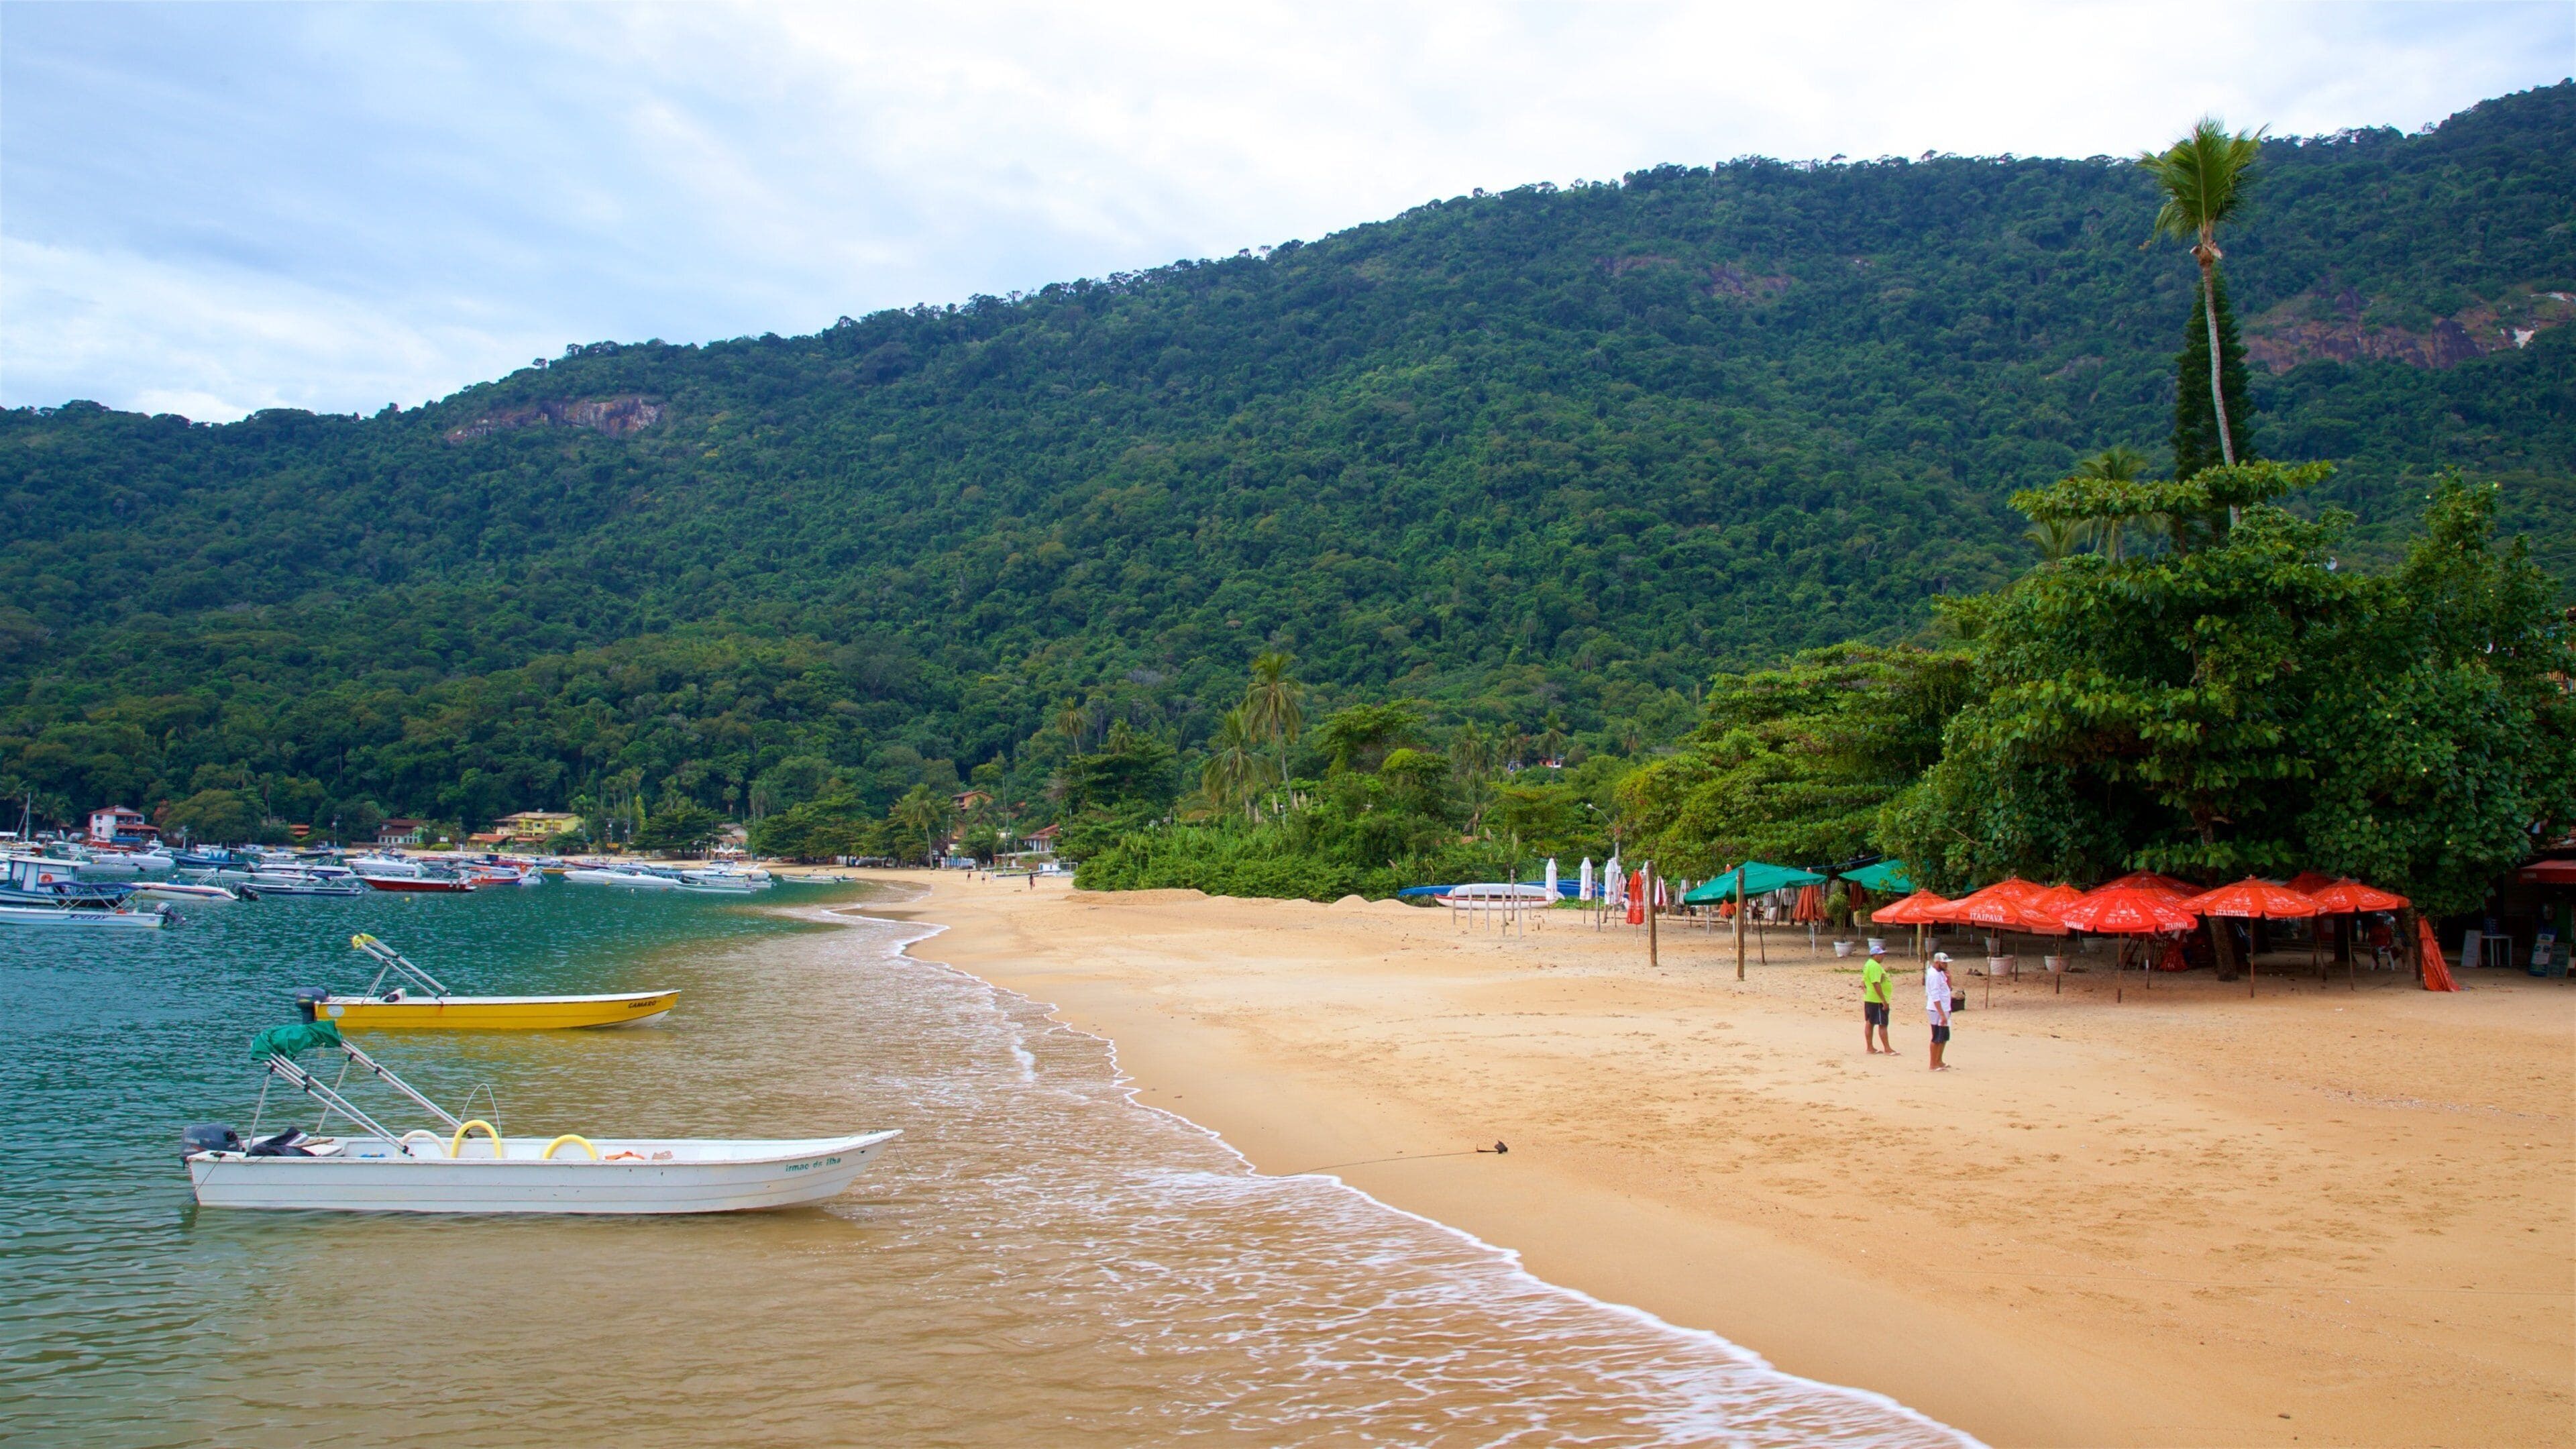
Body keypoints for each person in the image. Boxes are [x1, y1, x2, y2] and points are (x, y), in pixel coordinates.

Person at [1861, 943, 1894, 1055]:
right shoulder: (1874, 966)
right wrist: (1883, 1001)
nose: (1883, 956)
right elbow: (1876, 983)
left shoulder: (1869, 964)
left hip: (1870, 998)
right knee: (1882, 1024)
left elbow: (1864, 980)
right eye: (1881, 955)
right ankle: (1887, 1048)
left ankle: (1870, 1048)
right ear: (1875, 955)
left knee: (1870, 1022)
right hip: (1876, 1000)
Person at [1925, 952, 1954, 1071]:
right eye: (1944, 963)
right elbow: (1935, 995)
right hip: (1937, 1009)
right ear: (1937, 963)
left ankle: (1939, 1060)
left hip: (1945, 1008)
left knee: (1944, 1037)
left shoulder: (1941, 973)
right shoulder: (1934, 975)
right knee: (1937, 1036)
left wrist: (1949, 978)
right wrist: (1942, 1014)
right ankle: (1933, 1064)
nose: (1946, 965)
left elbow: (1948, 989)